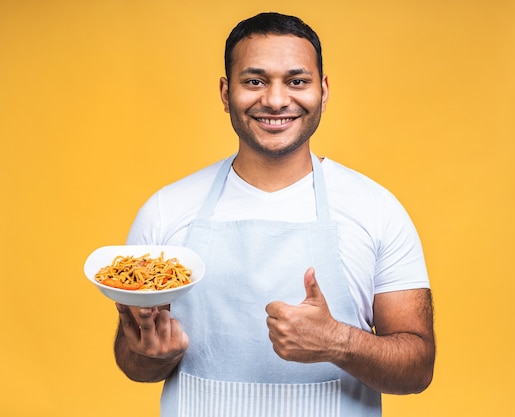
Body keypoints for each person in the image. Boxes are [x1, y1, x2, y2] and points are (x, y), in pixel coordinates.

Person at [113, 11, 435, 417]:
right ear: (226, 92)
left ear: (324, 89)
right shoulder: (166, 210)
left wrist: (338, 341)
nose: (277, 100)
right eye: (255, 81)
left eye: (297, 81)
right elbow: (132, 361)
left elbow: (418, 368)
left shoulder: (376, 209)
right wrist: (152, 355)